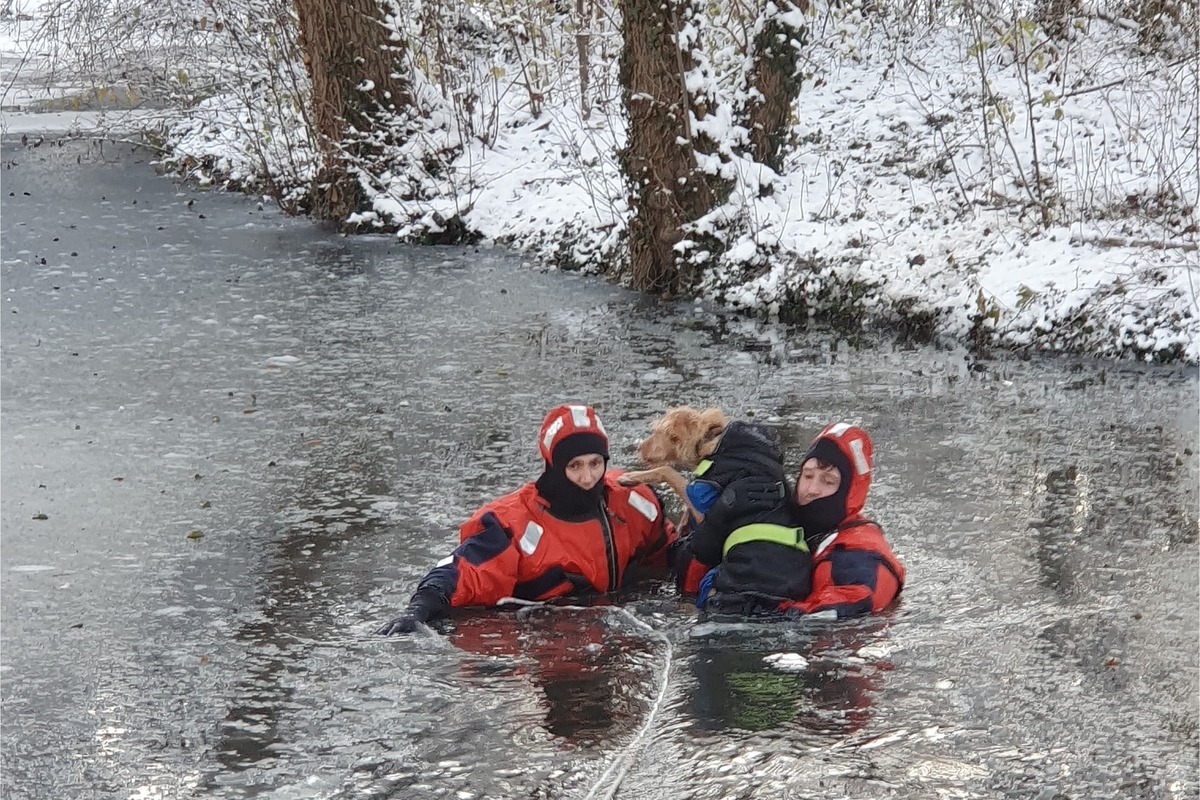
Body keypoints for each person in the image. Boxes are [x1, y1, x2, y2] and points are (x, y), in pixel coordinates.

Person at [376, 404, 676, 635]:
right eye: (575, 466)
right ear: (554, 466)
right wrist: (418, 610)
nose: (588, 478)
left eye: (595, 463)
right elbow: (462, 571)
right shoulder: (511, 525)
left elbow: (669, 553)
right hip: (547, 644)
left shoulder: (635, 501)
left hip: (622, 631)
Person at [683, 422, 905, 619]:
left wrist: (758, 609)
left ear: (850, 493)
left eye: (828, 481)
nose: (812, 489)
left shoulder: (861, 552)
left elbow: (842, 613)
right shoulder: (776, 511)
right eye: (807, 476)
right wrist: (719, 518)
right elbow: (691, 574)